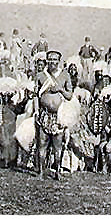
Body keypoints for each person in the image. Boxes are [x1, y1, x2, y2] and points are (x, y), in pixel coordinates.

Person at [35, 50, 73, 179]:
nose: (52, 62)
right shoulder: (40, 75)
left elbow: (69, 96)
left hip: (58, 116)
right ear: (47, 61)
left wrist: (60, 89)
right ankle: (40, 172)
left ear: (59, 61)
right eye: (50, 59)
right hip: (44, 115)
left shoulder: (65, 75)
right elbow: (35, 96)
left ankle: (57, 171)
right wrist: (36, 111)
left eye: (55, 59)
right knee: (42, 144)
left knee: (58, 146)